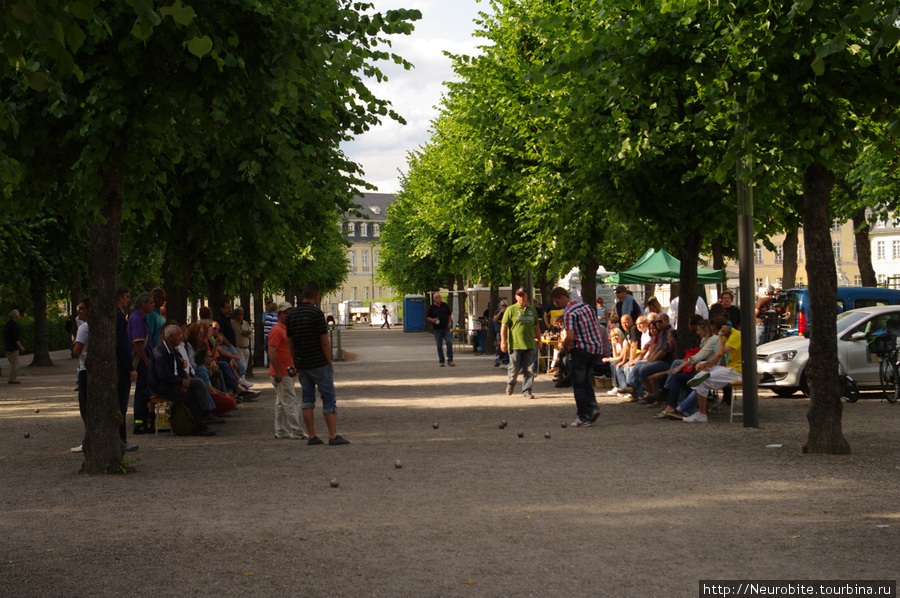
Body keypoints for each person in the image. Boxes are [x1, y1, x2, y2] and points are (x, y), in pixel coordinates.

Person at [286, 282, 349, 446]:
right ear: (316, 296)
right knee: (328, 397)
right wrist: (329, 361)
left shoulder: (292, 315)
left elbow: (290, 342)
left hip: (302, 363)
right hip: (319, 362)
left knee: (307, 398)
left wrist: (295, 361)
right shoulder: (316, 314)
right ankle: (333, 435)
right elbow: (324, 342)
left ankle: (311, 436)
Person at [148, 325, 216, 436]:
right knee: (192, 394)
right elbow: (163, 376)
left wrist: (183, 382)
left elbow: (180, 370)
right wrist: (180, 383)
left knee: (198, 382)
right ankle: (200, 422)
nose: (181, 338)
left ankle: (205, 414)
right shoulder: (160, 353)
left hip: (175, 383)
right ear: (170, 337)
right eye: (178, 335)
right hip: (162, 387)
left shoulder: (175, 352)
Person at [550, 287, 603, 428]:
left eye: (557, 302)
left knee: (578, 384)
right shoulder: (587, 307)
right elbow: (596, 327)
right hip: (595, 349)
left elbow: (570, 336)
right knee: (586, 381)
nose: (557, 306)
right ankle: (593, 408)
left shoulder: (569, 313)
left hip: (580, 350)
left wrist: (565, 348)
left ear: (562, 297)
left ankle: (583, 417)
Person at [679, 317, 743, 423]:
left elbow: (721, 353)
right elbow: (718, 358)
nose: (714, 333)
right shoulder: (725, 336)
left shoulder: (734, 336)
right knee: (702, 368)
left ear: (723, 328)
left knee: (703, 380)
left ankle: (701, 413)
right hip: (730, 368)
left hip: (737, 371)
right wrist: (706, 365)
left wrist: (721, 336)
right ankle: (702, 379)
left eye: (715, 330)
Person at [268, 302, 307, 439]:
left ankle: (281, 430)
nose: (288, 315)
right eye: (286, 313)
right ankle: (296, 431)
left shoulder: (286, 329)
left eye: (290, 313)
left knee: (281, 402)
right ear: (279, 314)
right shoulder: (277, 330)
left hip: (286, 372)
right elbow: (271, 351)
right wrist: (278, 371)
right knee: (290, 401)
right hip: (282, 373)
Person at [500, 289, 542, 400]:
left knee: (529, 369)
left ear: (527, 296)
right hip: (515, 345)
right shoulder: (511, 309)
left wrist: (540, 340)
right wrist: (503, 341)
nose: (522, 297)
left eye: (523, 295)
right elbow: (503, 326)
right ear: (516, 297)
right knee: (514, 369)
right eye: (519, 295)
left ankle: (527, 390)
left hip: (529, 344)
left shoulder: (532, 310)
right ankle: (510, 385)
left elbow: (536, 327)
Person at [129, 292, 156, 434]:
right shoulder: (138, 319)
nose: (153, 305)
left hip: (145, 359)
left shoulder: (142, 318)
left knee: (145, 391)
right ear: (143, 304)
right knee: (141, 392)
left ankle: (143, 422)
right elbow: (137, 343)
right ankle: (139, 424)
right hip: (141, 361)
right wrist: (146, 361)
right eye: (151, 302)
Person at [425, 292, 454, 367]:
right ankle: (441, 361)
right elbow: (428, 317)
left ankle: (450, 359)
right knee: (439, 345)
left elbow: (449, 315)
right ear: (434, 299)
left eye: (439, 297)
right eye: (437, 298)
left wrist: (449, 323)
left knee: (449, 342)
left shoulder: (445, 305)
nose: (438, 299)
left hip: (446, 328)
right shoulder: (432, 308)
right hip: (437, 329)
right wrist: (432, 320)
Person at [4, 309, 25, 384]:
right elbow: (16, 338)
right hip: (13, 348)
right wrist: (20, 347)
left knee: (12, 363)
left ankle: (11, 378)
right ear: (16, 316)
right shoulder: (14, 325)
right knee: (15, 364)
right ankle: (12, 379)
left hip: (7, 346)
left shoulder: (7, 324)